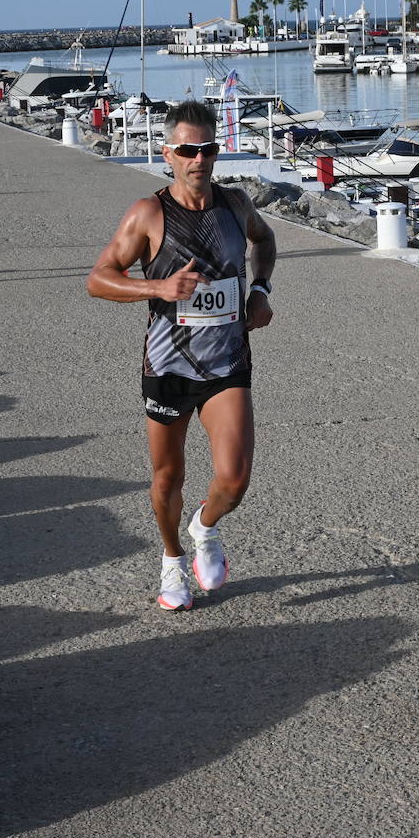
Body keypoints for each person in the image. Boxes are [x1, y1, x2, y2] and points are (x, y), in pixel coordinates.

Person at [86, 100, 276, 611]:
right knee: (168, 477)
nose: (199, 160)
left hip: (227, 363)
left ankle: (204, 527)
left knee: (234, 479)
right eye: (188, 150)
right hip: (167, 366)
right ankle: (172, 561)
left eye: (208, 149)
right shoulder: (148, 214)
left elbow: (265, 240)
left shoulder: (235, 204)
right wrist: (158, 288)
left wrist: (261, 291)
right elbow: (98, 280)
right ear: (168, 153)